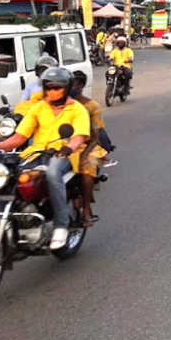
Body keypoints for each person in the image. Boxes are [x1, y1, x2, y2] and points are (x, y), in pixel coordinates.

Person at [0, 66, 90, 250]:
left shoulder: (77, 109)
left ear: (67, 88)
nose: (52, 92)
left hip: (64, 155)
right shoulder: (38, 107)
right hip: (37, 153)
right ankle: (14, 218)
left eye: (57, 88)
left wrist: (69, 147)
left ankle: (61, 226)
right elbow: (21, 136)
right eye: (49, 87)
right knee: (7, 173)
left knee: (52, 172)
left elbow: (79, 136)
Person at [70, 71, 113, 228]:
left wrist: (84, 155)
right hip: (62, 145)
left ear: (81, 86)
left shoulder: (92, 106)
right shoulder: (60, 104)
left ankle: (87, 208)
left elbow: (96, 136)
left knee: (87, 170)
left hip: (88, 145)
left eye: (72, 84)